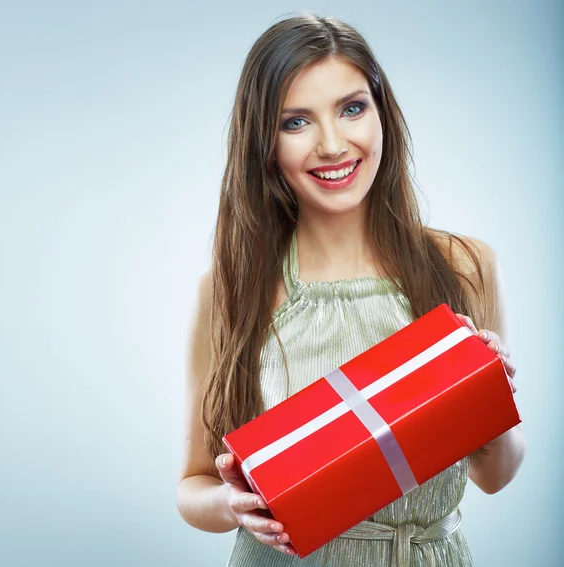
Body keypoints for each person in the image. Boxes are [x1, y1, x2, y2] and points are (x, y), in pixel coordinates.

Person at [175, 12, 526, 566]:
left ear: (381, 113)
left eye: (351, 108)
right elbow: (192, 486)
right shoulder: (230, 290)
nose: (333, 144)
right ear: (263, 142)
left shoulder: (464, 267)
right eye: (296, 122)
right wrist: (232, 503)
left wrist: (493, 399)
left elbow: (495, 475)